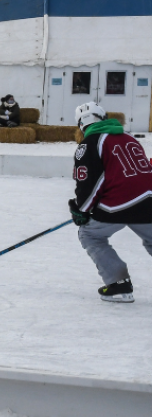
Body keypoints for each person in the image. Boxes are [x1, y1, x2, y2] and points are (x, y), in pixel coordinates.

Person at [69, 102, 152, 303]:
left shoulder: (89, 144)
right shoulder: (128, 138)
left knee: (90, 234)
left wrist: (82, 210)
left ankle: (118, 285)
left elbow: (89, 182)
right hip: (149, 200)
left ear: (81, 125)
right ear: (103, 118)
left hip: (117, 205)